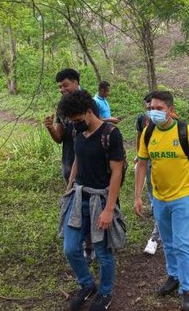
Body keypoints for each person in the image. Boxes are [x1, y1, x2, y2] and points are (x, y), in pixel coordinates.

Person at [134, 91, 189, 311]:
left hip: (183, 197)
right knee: (167, 241)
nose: (154, 112)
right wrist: (137, 195)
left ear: (170, 111)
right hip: (159, 198)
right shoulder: (148, 133)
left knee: (182, 243)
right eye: (151, 108)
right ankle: (173, 276)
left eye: (159, 109)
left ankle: (188, 289)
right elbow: (142, 165)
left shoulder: (185, 131)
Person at [57, 90, 126, 311]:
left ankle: (105, 294)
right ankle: (87, 285)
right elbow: (78, 157)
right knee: (70, 248)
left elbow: (117, 172)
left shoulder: (111, 134)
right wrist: (69, 188)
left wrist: (108, 209)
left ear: (89, 112)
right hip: (78, 197)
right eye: (71, 121)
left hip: (100, 199)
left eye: (77, 120)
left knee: (102, 251)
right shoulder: (78, 131)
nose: (75, 124)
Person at [44, 69, 99, 262]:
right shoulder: (62, 107)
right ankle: (84, 244)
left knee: (91, 205)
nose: (62, 89)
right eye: (59, 86)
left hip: (87, 165)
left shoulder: (89, 104)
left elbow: (96, 134)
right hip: (69, 163)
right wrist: (51, 129)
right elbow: (60, 138)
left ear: (76, 82)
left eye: (65, 85)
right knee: (76, 206)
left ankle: (96, 245)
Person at [135, 91, 161, 255]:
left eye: (154, 107)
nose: (151, 111)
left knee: (160, 200)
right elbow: (139, 138)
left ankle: (154, 238)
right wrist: (139, 156)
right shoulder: (141, 120)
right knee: (154, 197)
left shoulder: (174, 126)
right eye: (148, 108)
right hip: (149, 162)